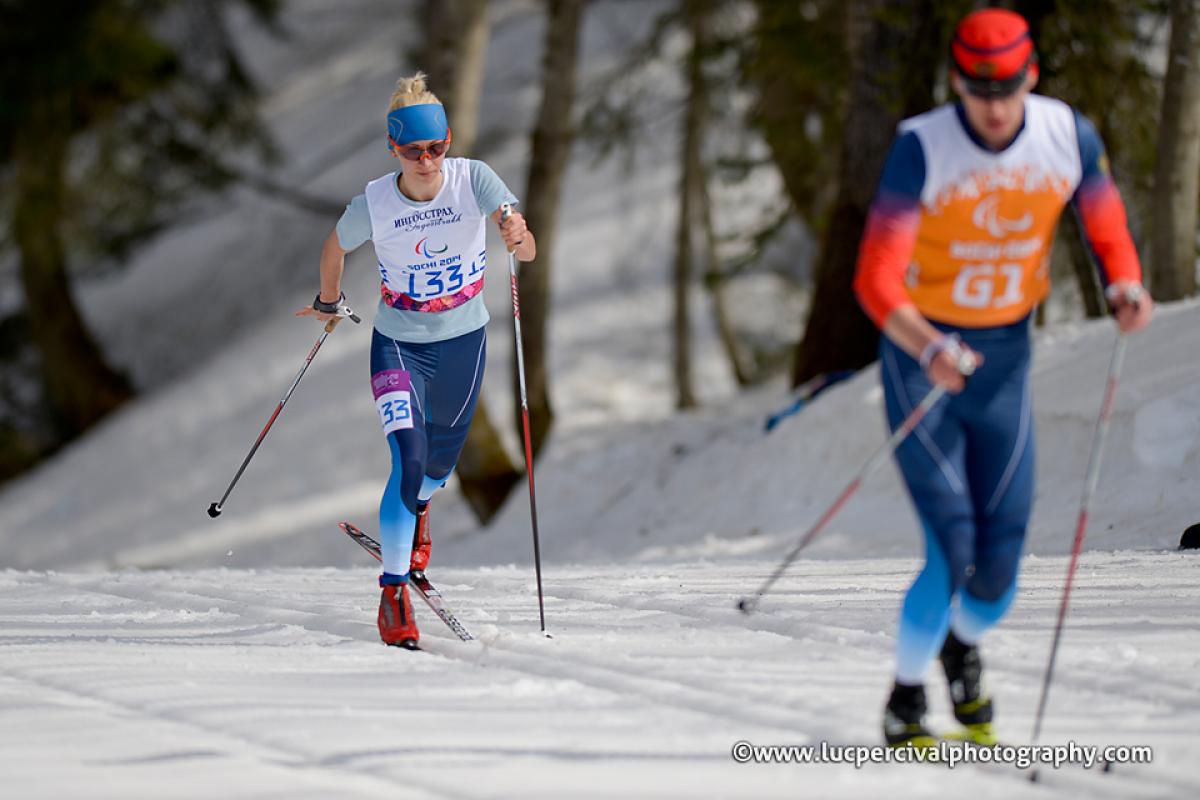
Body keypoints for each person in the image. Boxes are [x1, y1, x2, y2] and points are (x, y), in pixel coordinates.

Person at [853, 9, 1152, 747]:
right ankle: (907, 696)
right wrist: (928, 348)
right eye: (979, 88)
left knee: (999, 567)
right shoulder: (923, 146)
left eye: (1008, 87)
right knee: (951, 544)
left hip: (1006, 357)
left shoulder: (1065, 134)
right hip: (923, 360)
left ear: (1032, 77)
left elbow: (1105, 222)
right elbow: (874, 278)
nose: (994, 104)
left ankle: (961, 641)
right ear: (957, 80)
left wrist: (1125, 285)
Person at [297, 72, 535, 649]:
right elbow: (335, 246)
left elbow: (525, 250)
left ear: (448, 141)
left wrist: (516, 232)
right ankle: (394, 593)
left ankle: (420, 510)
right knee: (408, 457)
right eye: (413, 151)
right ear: (393, 149)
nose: (427, 161)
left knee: (437, 469)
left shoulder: (473, 179)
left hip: (462, 342)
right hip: (398, 344)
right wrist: (329, 300)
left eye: (437, 148)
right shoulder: (376, 201)